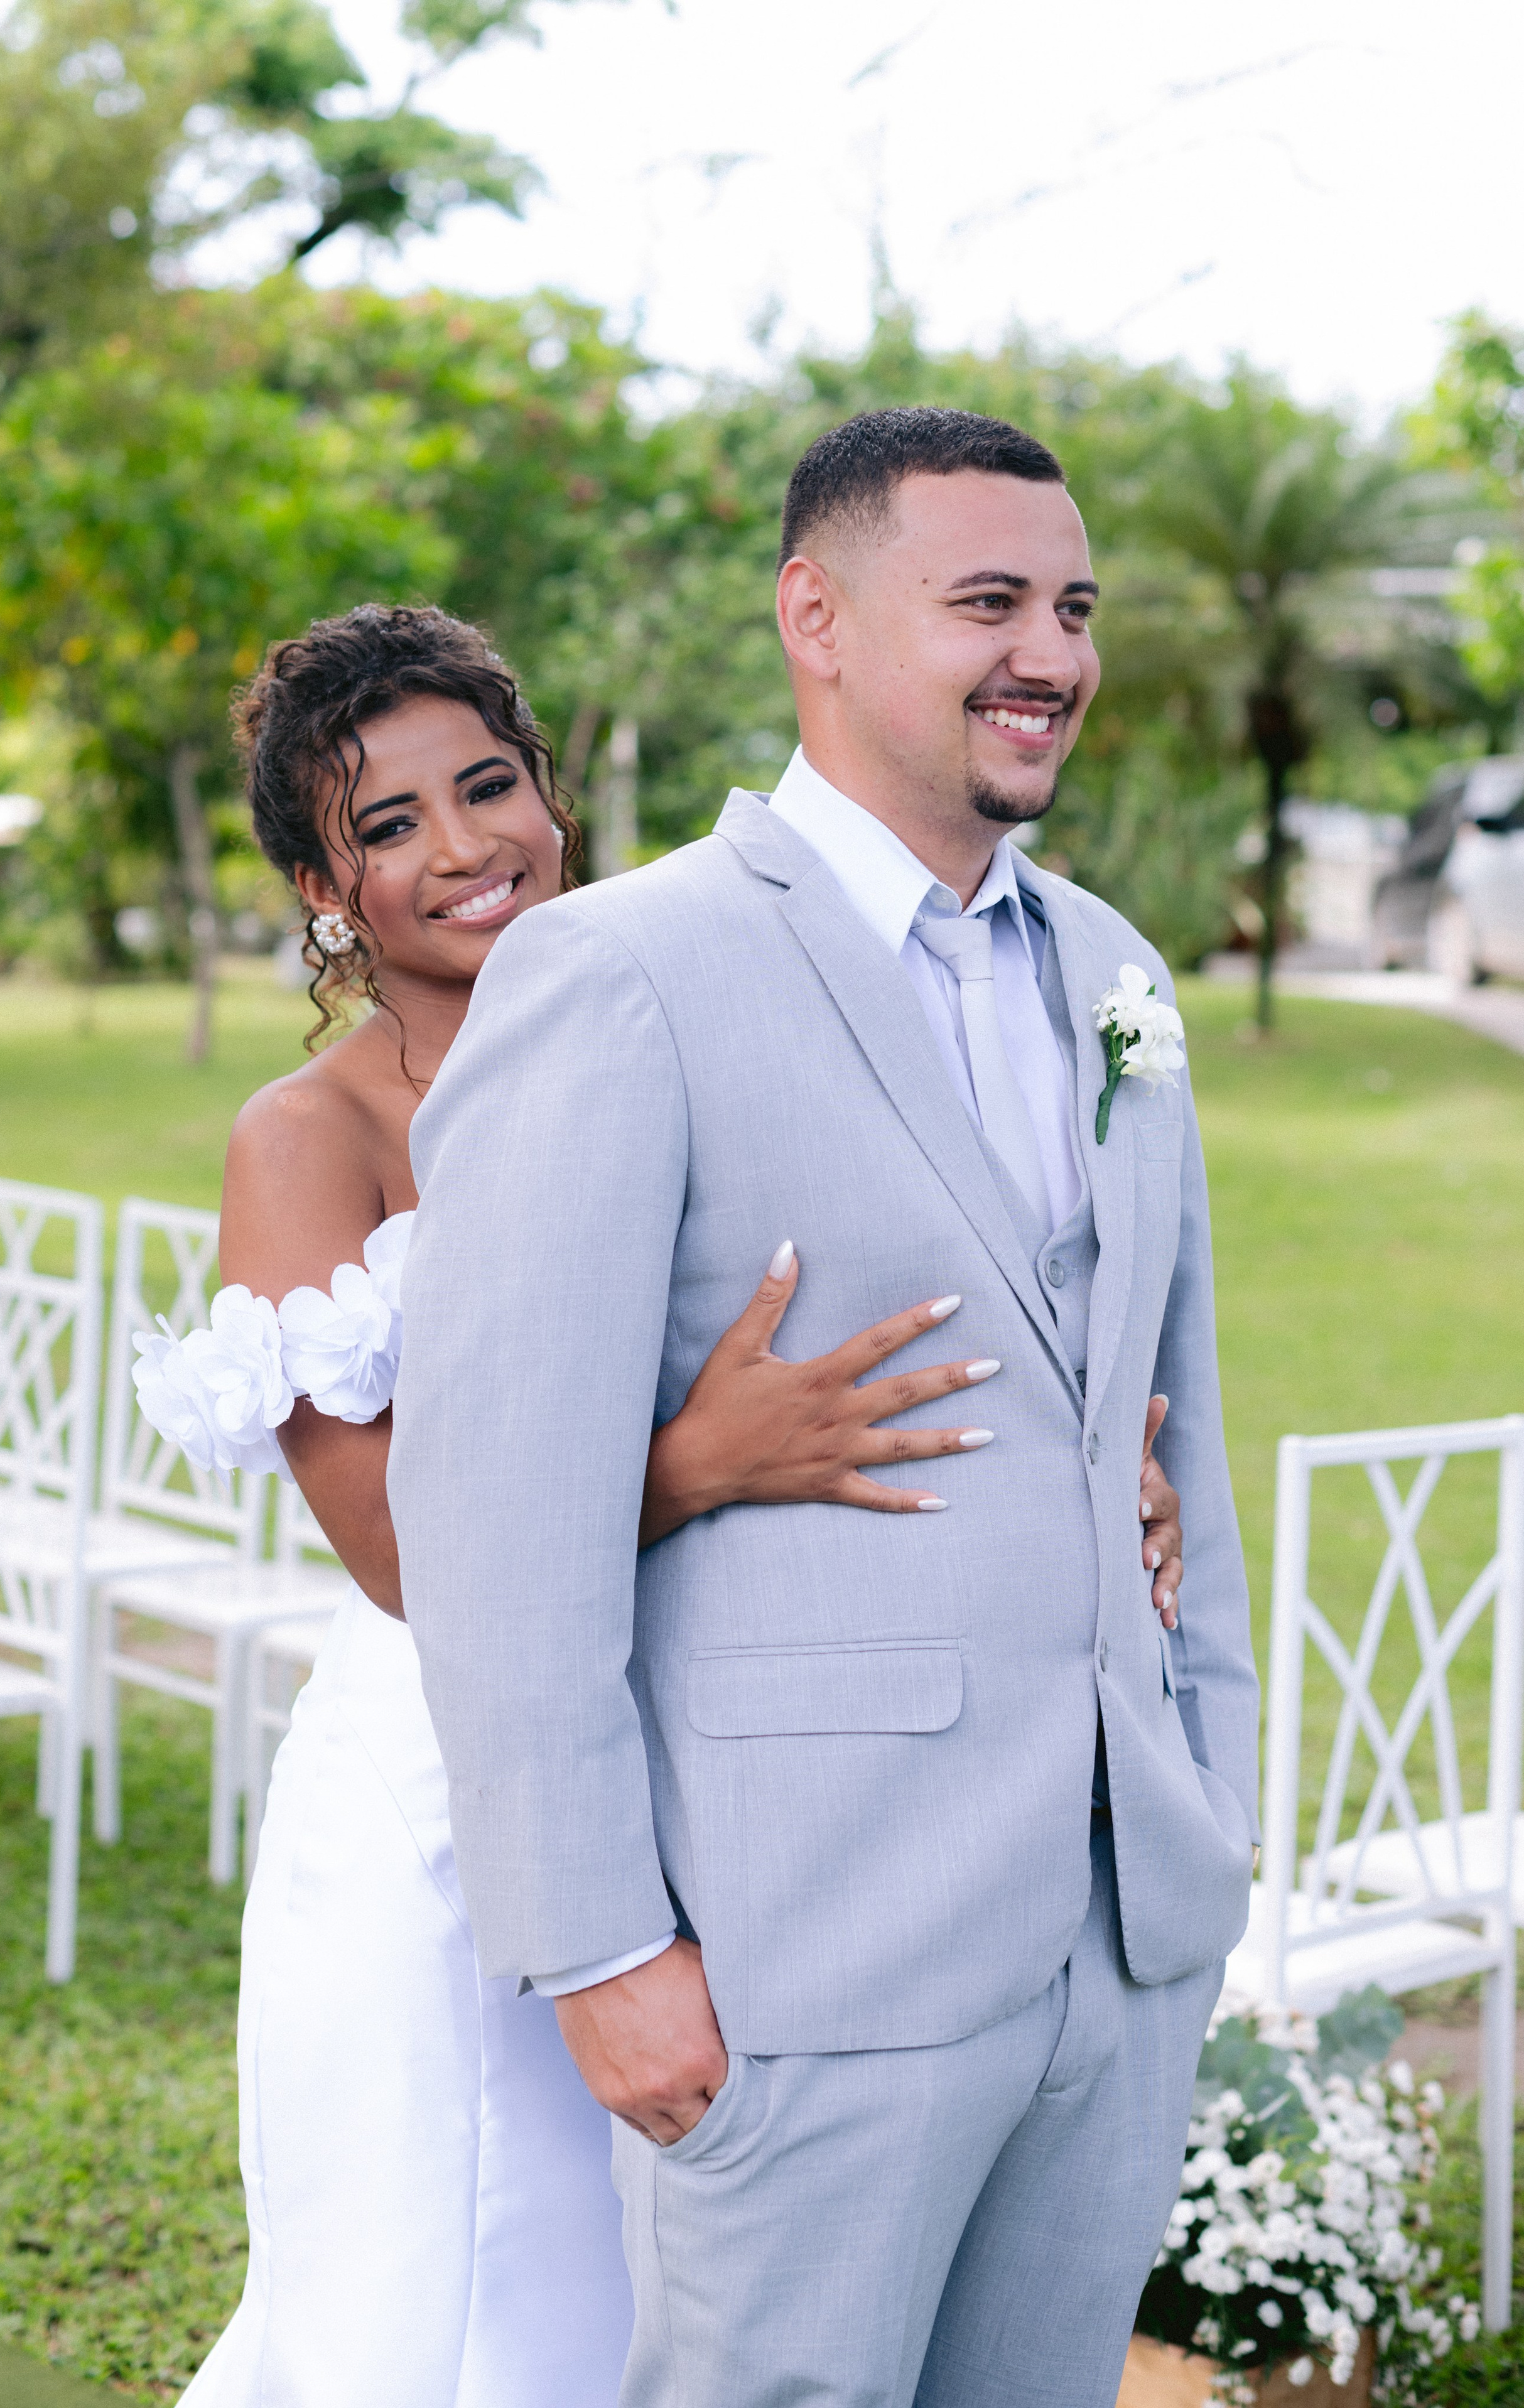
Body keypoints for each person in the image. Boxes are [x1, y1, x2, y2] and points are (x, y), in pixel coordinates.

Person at [137, 603, 1187, 2408]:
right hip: (443, 1795)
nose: (463, 845)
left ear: (549, 794)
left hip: (699, 1768)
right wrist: (704, 1459)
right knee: (453, 2286)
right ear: (322, 889)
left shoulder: (685, 1006)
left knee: (663, 2294)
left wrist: (1099, 1478)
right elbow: (401, 1555)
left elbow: (880, 1311)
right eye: (389, 825)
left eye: (489, 785)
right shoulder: (306, 1138)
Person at [391, 412, 1260, 2408]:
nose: (1050, 653)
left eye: (1074, 608)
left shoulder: (1116, 972)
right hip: (805, 1959)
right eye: (989, 602)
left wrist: (1206, 1796)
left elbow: (1170, 1423)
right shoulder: (619, 972)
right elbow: (493, 1515)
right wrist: (602, 1954)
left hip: (1116, 1947)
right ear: (819, 617)